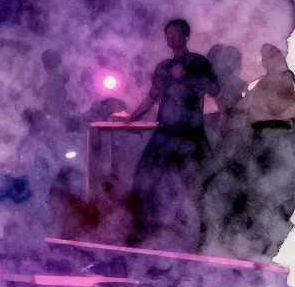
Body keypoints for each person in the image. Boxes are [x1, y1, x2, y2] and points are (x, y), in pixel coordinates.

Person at [117, 19, 219, 249]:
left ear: (185, 35)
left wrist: (190, 76)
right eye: (167, 33)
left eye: (174, 32)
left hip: (191, 134)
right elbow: (152, 96)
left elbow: (215, 90)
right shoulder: (163, 67)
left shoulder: (198, 62)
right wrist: (131, 117)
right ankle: (142, 232)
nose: (170, 36)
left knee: (199, 184)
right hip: (165, 132)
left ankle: (203, 237)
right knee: (144, 179)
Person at [200, 43, 295, 259]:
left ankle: (267, 251)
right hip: (257, 145)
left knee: (268, 199)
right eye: (267, 54)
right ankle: (234, 249)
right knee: (227, 192)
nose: (272, 56)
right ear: (262, 62)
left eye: (275, 52)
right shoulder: (257, 86)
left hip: (283, 146)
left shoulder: (289, 80)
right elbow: (240, 111)